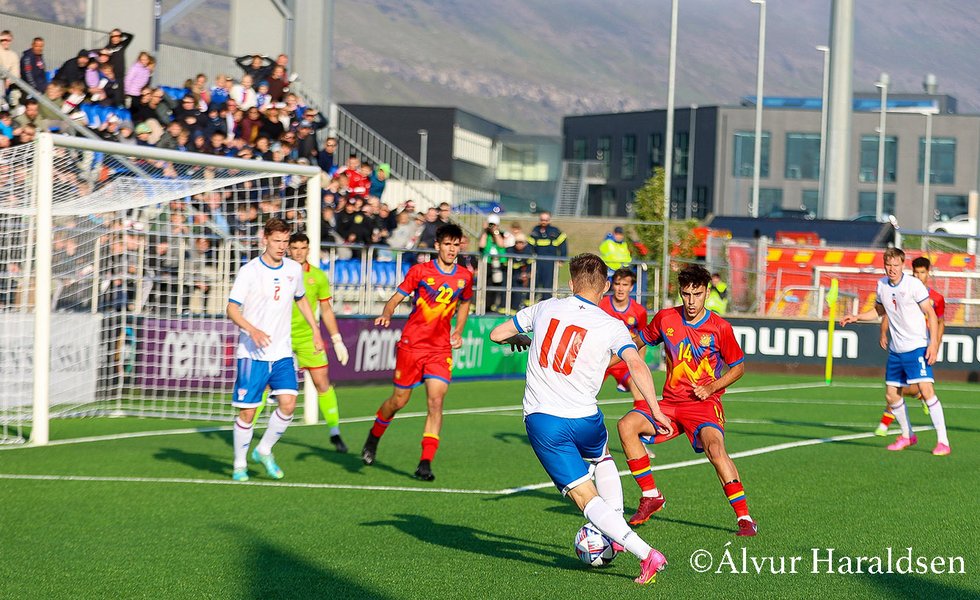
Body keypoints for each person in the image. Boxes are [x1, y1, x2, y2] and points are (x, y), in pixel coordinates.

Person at [488, 253, 673, 585]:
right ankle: (616, 528)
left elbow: (497, 334)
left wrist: (520, 338)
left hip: (546, 421)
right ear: (605, 288)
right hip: (587, 418)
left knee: (584, 497)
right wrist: (655, 410)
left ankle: (646, 553)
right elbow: (636, 363)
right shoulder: (612, 324)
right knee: (601, 456)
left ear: (572, 283)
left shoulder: (545, 308)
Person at [618, 265, 755, 536]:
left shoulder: (720, 327)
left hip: (703, 405)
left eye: (697, 294)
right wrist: (601, 361)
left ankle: (744, 518)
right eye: (686, 294)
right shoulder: (666, 318)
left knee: (715, 449)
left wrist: (712, 387)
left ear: (707, 293)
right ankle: (651, 495)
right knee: (626, 425)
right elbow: (636, 343)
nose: (691, 301)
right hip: (669, 404)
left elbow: (738, 367)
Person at [361, 223, 473, 481]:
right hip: (412, 346)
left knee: (436, 401)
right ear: (437, 246)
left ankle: (425, 462)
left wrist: (458, 331)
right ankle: (373, 437)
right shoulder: (420, 272)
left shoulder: (465, 276)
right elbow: (394, 300)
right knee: (399, 401)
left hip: (440, 349)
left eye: (456, 245)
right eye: (447, 244)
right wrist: (386, 314)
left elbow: (465, 302)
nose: (451, 250)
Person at [226, 218, 323, 482]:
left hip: (281, 352)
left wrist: (315, 330)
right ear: (265, 239)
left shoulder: (293, 269)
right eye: (277, 241)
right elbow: (232, 308)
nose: (282, 246)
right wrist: (252, 330)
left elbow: (301, 299)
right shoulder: (249, 271)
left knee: (289, 404)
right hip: (252, 353)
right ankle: (239, 464)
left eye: (285, 241)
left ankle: (264, 450)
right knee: (247, 412)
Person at [841, 248, 948, 455]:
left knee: (926, 391)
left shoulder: (913, 285)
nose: (892, 269)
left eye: (896, 265)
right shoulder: (882, 285)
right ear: (884, 265)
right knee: (891, 395)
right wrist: (857, 317)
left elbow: (931, 314)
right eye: (888, 265)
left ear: (902, 265)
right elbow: (879, 310)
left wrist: (933, 344)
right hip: (896, 350)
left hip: (917, 346)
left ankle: (943, 441)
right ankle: (908, 435)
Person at [252, 233, 351, 451]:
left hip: (307, 337)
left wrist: (336, 339)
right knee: (264, 384)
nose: (298, 252)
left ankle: (335, 433)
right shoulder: (279, 272)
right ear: (288, 249)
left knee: (322, 382)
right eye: (294, 247)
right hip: (278, 337)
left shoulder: (318, 276)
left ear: (308, 249)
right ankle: (248, 428)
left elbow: (326, 309)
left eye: (302, 248)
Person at [874, 256, 946, 436]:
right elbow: (889, 312)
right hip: (901, 344)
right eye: (916, 272)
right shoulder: (905, 288)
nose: (919, 275)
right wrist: (883, 332)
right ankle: (892, 424)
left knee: (914, 387)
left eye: (922, 272)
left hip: (921, 345)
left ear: (928, 273)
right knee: (895, 388)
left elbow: (939, 321)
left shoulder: (936, 298)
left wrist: (935, 344)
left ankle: (890, 423)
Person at [600, 267, 649, 404]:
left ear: (631, 287)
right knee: (583, 393)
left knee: (640, 390)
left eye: (625, 284)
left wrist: (640, 363)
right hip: (602, 358)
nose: (621, 289)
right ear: (611, 285)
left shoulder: (639, 311)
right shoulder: (601, 305)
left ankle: (640, 417)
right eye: (617, 284)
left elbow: (642, 339)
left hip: (624, 361)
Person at [527, 211, 567, 300]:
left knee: (548, 285)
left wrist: (562, 259)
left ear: (549, 220)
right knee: (533, 284)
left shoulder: (555, 231)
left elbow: (563, 245)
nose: (544, 222)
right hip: (537, 262)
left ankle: (547, 303)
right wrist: (529, 261)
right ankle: (529, 304)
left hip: (550, 262)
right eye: (542, 220)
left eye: (546, 220)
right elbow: (529, 247)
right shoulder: (535, 231)